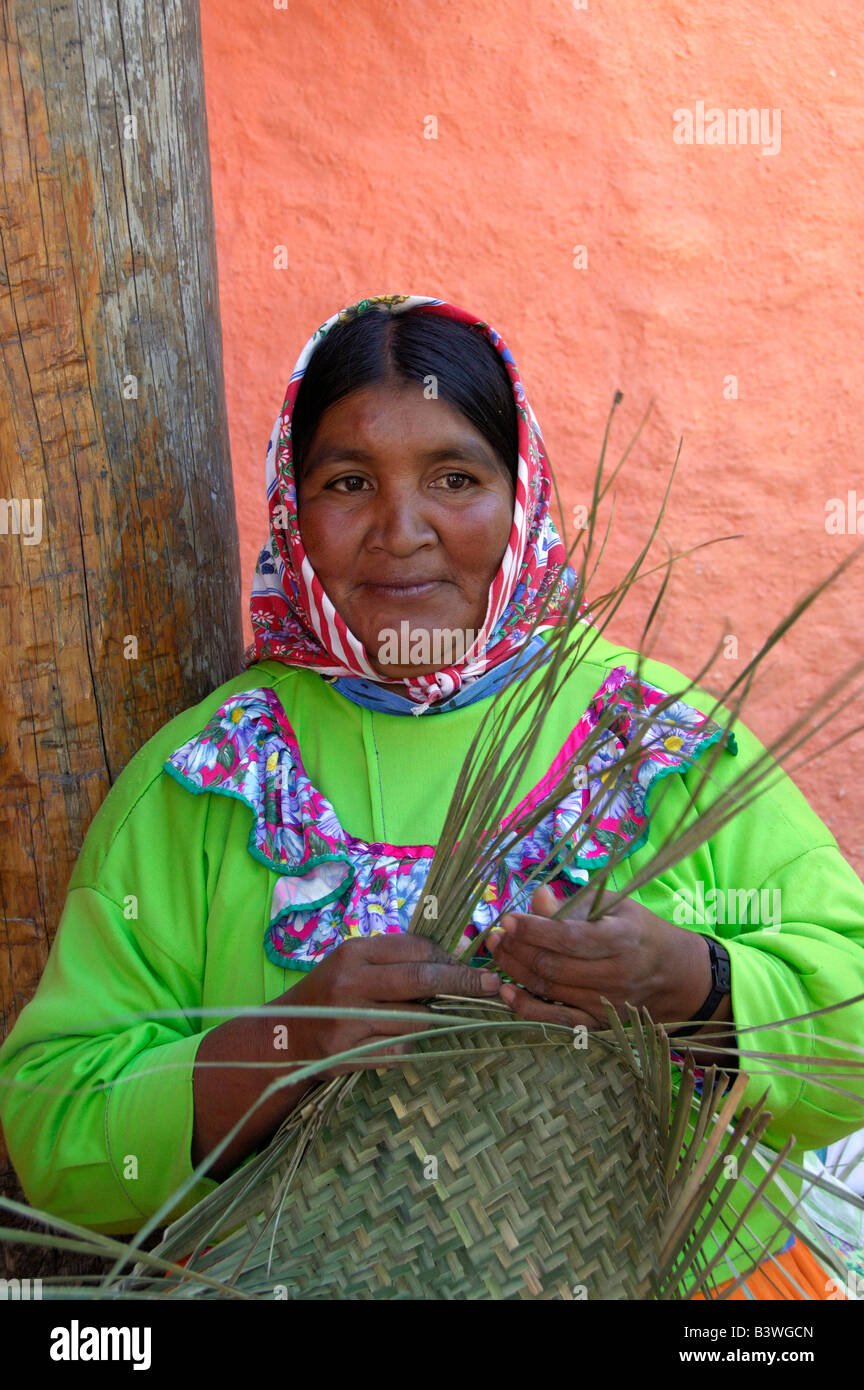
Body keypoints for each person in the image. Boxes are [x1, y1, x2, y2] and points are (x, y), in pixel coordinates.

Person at [1, 293, 863, 1300]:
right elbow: (54, 1118)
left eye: (454, 476)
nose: (401, 531)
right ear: (295, 503)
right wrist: (291, 1036)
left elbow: (850, 1020)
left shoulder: (657, 741)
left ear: (521, 490)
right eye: (349, 480)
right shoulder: (213, 775)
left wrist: (696, 987)